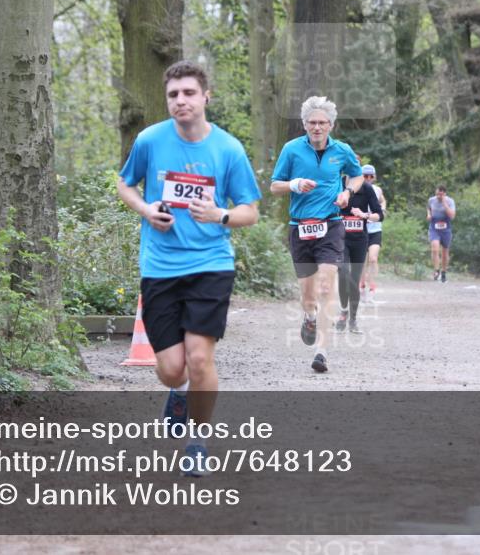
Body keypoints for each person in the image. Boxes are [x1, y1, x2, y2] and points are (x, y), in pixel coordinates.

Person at [117, 60, 261, 476]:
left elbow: (249, 211)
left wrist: (220, 215)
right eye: (173, 95)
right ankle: (177, 393)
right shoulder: (149, 140)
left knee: (199, 360)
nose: (181, 101)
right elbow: (125, 183)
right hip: (160, 267)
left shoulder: (228, 149)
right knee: (170, 370)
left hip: (210, 265)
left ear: (205, 97)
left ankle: (198, 442)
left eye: (189, 93)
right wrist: (147, 209)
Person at [270, 96, 363, 373]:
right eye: (312, 122)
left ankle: (322, 351)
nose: (317, 127)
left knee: (326, 286)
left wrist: (347, 192)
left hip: (331, 225)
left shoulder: (342, 150)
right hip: (300, 227)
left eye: (322, 122)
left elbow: (356, 175)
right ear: (304, 124)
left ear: (331, 125)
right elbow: (274, 186)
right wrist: (295, 184)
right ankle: (308, 316)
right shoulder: (291, 150)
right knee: (308, 295)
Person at [336, 171, 384, 333]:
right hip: (340, 238)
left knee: (354, 280)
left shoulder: (366, 188)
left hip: (359, 240)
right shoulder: (337, 184)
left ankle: (353, 319)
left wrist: (365, 215)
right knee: (343, 272)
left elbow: (380, 214)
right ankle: (343, 312)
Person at [358, 164, 386, 303]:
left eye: (370, 176)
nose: (368, 178)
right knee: (362, 260)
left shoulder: (377, 189)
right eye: (365, 176)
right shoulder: (357, 188)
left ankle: (372, 287)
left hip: (375, 229)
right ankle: (362, 286)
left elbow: (382, 201)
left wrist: (383, 209)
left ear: (374, 177)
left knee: (373, 259)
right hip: (362, 229)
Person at [427, 185, 456, 283]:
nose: (438, 196)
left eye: (441, 195)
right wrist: (429, 215)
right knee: (435, 248)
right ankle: (436, 270)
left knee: (445, 253)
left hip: (446, 228)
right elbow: (429, 208)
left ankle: (444, 272)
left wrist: (444, 203)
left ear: (445, 194)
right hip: (434, 227)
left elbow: (452, 216)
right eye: (437, 194)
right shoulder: (431, 200)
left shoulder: (450, 201)